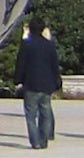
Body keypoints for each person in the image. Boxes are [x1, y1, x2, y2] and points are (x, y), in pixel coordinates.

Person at [13, 17, 60, 149]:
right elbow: (54, 65)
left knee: (31, 115)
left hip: (31, 84)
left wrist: (18, 80)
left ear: (31, 29)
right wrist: (57, 80)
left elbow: (21, 64)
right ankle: (44, 139)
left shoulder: (27, 44)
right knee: (45, 113)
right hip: (47, 84)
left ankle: (35, 141)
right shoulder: (49, 45)